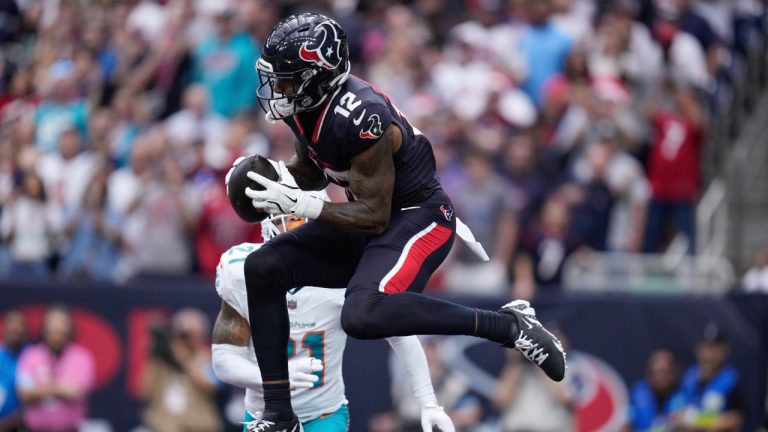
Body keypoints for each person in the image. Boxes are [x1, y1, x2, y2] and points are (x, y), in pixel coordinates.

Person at [236, 13, 566, 431]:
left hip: (419, 217)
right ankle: (280, 415)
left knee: (362, 315)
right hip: (371, 217)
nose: (277, 89)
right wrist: (273, 181)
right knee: (262, 268)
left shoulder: (362, 116)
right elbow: (315, 168)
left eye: (286, 79)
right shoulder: (304, 104)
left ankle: (509, 325)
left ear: (317, 77)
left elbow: (374, 217)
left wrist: (302, 203)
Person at [212, 207, 455, 432]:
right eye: (294, 218)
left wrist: (428, 402)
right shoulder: (240, 270)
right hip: (264, 414)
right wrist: (273, 377)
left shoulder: (348, 275)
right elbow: (224, 358)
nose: (303, 228)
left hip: (323, 414)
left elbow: (401, 335)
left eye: (307, 218)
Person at [139, 308, 223, 432]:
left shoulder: (208, 359)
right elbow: (144, 392)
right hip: (163, 426)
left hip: (198, 426)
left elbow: (211, 387)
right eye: (182, 335)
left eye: (189, 335)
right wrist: (154, 356)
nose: (185, 341)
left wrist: (184, 361)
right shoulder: (163, 362)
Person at [16, 304, 96, 432]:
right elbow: (25, 394)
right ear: (44, 327)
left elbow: (75, 392)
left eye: (61, 323)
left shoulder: (82, 357)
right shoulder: (31, 355)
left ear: (70, 328)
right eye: (52, 323)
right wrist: (60, 388)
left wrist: (41, 389)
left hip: (69, 429)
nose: (56, 328)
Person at [675, 323, 743, 432]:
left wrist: (695, 421)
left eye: (714, 348)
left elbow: (734, 419)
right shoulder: (689, 377)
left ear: (724, 351)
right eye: (705, 347)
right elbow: (678, 415)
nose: (709, 354)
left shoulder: (731, 380)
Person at [625, 349, 686, 431]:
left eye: (662, 372)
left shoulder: (684, 394)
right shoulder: (639, 393)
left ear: (674, 372)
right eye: (654, 372)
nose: (658, 378)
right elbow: (626, 422)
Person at [0, 309, 28, 431]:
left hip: (23, 425)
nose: (15, 329)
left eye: (19, 325)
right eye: (11, 324)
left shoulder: (33, 356)